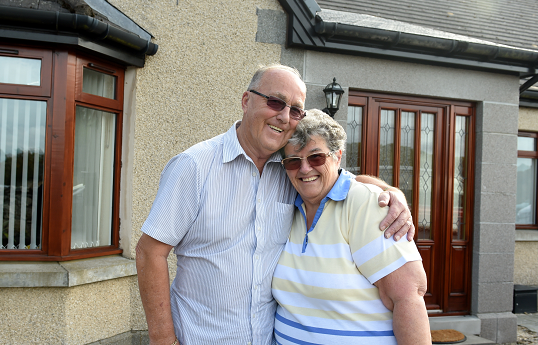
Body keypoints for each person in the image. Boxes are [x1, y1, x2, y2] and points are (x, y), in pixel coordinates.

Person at [136, 64, 415, 345]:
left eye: (296, 110)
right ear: (246, 101)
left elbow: (337, 177)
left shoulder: (289, 169)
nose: (284, 116)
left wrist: (391, 192)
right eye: (275, 102)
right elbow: (150, 252)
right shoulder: (194, 167)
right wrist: (163, 340)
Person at [272, 109, 430, 345]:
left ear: (337, 156)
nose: (304, 169)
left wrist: (385, 191)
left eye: (316, 157)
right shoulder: (290, 204)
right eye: (293, 161)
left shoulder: (366, 204)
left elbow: (408, 297)